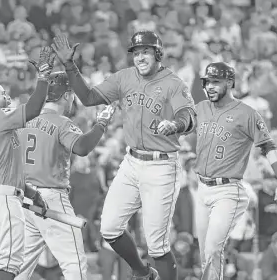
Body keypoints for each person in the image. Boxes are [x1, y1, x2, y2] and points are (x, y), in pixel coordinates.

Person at [52, 31, 197, 280]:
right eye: (136, 52)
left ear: (158, 53)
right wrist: (69, 65)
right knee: (109, 229)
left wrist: (176, 125)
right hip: (131, 161)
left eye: (146, 52)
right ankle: (142, 272)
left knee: (157, 244)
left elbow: (189, 116)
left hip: (161, 165)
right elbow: (87, 98)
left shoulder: (173, 83)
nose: (140, 57)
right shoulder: (124, 77)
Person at [194, 62, 277, 280]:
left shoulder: (247, 113)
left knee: (213, 248)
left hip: (228, 188)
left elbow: (269, 147)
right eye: (207, 82)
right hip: (202, 187)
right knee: (205, 254)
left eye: (215, 81)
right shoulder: (201, 108)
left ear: (230, 83)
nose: (209, 86)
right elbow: (182, 125)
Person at [15, 71, 116, 280]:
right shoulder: (61, 122)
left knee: (21, 266)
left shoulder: (24, 120)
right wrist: (101, 124)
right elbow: (82, 147)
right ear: (67, 95)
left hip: (23, 199)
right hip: (50, 199)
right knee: (74, 263)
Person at [0, 46, 54, 280]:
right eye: (0, 92)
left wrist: (30, 192)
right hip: (4, 202)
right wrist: (43, 78)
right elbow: (35, 108)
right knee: (8, 269)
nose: (5, 93)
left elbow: (0, 170)